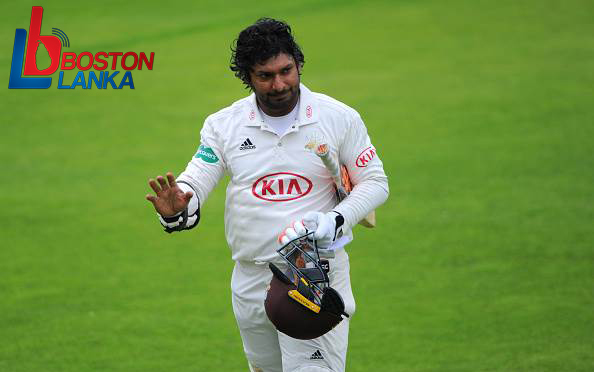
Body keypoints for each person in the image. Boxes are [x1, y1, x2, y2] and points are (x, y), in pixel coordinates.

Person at [145, 18, 389, 372]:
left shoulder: (338, 118)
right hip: (251, 278)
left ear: (298, 64)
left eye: (286, 70)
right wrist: (176, 206)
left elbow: (375, 182)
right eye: (265, 76)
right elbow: (196, 179)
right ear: (248, 77)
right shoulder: (224, 125)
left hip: (314, 273)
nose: (280, 84)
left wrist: (335, 220)